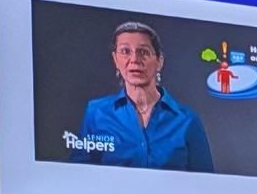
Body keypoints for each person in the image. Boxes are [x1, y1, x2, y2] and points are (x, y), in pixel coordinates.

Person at [75, 20, 214, 171]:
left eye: (143, 52)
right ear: (115, 59)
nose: (134, 60)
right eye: (125, 51)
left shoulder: (188, 120)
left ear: (159, 62)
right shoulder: (96, 112)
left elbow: (206, 186)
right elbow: (80, 177)